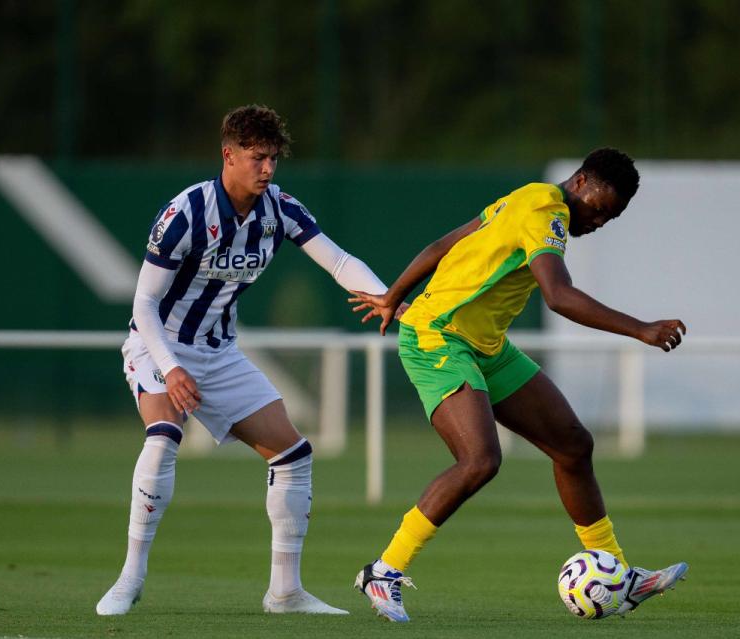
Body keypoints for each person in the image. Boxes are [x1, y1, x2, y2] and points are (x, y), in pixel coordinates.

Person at [349, 148, 688, 622]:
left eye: (610, 218)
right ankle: (383, 571)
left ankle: (617, 572)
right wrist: (641, 329)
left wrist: (391, 296)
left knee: (572, 445)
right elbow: (559, 296)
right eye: (598, 208)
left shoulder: (528, 197)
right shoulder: (546, 210)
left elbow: (442, 247)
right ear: (582, 181)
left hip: (485, 346)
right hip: (438, 336)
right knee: (481, 460)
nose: (597, 221)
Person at [96, 104, 390, 616]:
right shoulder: (184, 213)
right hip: (157, 344)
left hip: (219, 352)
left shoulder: (279, 208)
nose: (268, 169)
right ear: (228, 156)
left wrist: (388, 296)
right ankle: (130, 577)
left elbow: (339, 261)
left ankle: (285, 593)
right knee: (165, 436)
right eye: (258, 158)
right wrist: (172, 368)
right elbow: (143, 304)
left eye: (274, 158)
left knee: (294, 456)